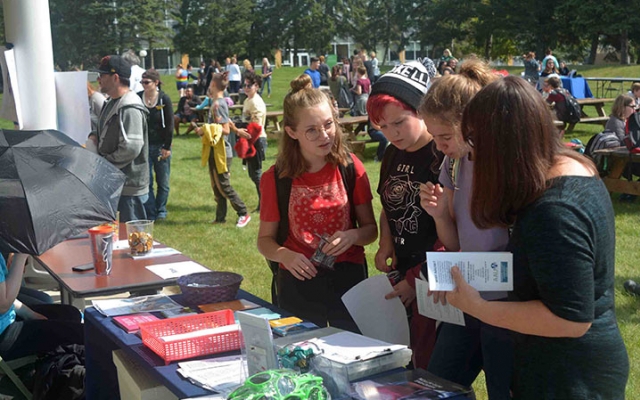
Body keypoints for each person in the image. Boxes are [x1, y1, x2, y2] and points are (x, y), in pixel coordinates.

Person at [446, 75, 628, 399]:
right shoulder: (572, 165)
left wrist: (478, 307)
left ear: (503, 145)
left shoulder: (554, 211)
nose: (472, 155)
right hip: (568, 368)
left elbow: (570, 319)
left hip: (568, 378)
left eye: (475, 142)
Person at [417, 59, 513, 399]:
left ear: (472, 123)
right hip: (468, 302)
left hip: (508, 309)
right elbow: (455, 241)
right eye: (434, 137)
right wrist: (440, 214)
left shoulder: (503, 164)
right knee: (437, 385)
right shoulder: (453, 163)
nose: (439, 146)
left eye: (444, 136)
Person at [257, 79, 377, 331]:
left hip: (349, 278)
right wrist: (284, 255)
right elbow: (265, 240)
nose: (324, 136)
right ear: (292, 132)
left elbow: (370, 230)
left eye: (328, 124)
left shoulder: (351, 167)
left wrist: (353, 235)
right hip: (298, 279)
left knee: (353, 352)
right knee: (301, 355)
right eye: (311, 130)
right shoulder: (275, 179)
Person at [366, 61, 442, 369]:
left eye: (399, 122)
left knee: (434, 365)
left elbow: (454, 232)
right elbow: (388, 204)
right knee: (402, 358)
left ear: (421, 110)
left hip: (434, 277)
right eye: (382, 127)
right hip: (402, 269)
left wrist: (416, 280)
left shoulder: (441, 156)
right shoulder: (392, 153)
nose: (391, 133)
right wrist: (386, 244)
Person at [89, 55, 149, 222]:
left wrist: (105, 163)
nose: (98, 79)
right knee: (115, 238)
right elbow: (104, 131)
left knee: (133, 241)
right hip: (116, 184)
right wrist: (93, 136)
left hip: (129, 188)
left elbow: (131, 148)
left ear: (115, 78)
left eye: (102, 75)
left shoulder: (130, 107)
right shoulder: (111, 102)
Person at [193, 72, 251, 228]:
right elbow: (228, 122)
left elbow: (224, 129)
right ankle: (220, 217)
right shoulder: (217, 103)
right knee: (216, 185)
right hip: (215, 149)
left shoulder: (218, 104)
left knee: (224, 185)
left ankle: (243, 213)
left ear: (212, 85)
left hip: (222, 152)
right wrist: (238, 131)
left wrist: (204, 129)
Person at [0, 253, 83, 360]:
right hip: (4, 335)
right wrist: (20, 257)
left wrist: (30, 314)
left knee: (71, 314)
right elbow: (3, 305)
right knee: (82, 334)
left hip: (8, 320)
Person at [138, 69, 174, 221]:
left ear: (156, 83)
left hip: (161, 146)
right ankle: (150, 211)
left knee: (163, 181)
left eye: (147, 82)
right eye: (142, 82)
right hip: (144, 146)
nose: (144, 85)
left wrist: (167, 146)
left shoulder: (163, 99)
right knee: (147, 182)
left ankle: (161, 210)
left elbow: (170, 124)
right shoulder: (138, 97)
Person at [231, 71, 267, 211]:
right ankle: (263, 202)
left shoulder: (256, 102)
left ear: (256, 86)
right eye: (244, 85)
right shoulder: (247, 100)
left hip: (256, 140)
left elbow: (256, 127)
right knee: (253, 174)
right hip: (250, 139)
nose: (246, 88)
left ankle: (264, 203)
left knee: (256, 174)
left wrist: (241, 129)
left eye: (249, 85)